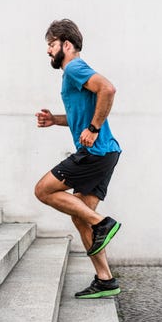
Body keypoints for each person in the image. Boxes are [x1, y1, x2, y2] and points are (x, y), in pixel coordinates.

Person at [34, 19, 122, 299]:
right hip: (106, 153)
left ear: (67, 45)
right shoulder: (71, 75)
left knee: (43, 190)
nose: (48, 51)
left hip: (95, 153)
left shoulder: (73, 67)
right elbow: (80, 114)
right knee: (80, 217)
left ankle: (103, 223)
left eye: (51, 44)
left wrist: (94, 129)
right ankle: (105, 279)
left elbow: (107, 89)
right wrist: (55, 120)